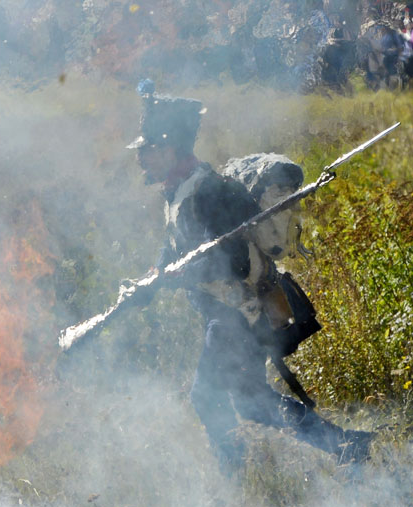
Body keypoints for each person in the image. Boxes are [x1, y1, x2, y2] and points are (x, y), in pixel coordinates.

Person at [125, 80, 374, 472]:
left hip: (237, 316)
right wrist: (150, 282)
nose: (142, 158)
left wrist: (176, 276)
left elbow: (234, 263)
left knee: (205, 398)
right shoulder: (178, 193)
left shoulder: (206, 193)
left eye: (149, 149)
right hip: (226, 315)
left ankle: (235, 477)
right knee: (251, 402)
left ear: (172, 149)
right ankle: (346, 446)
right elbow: (173, 253)